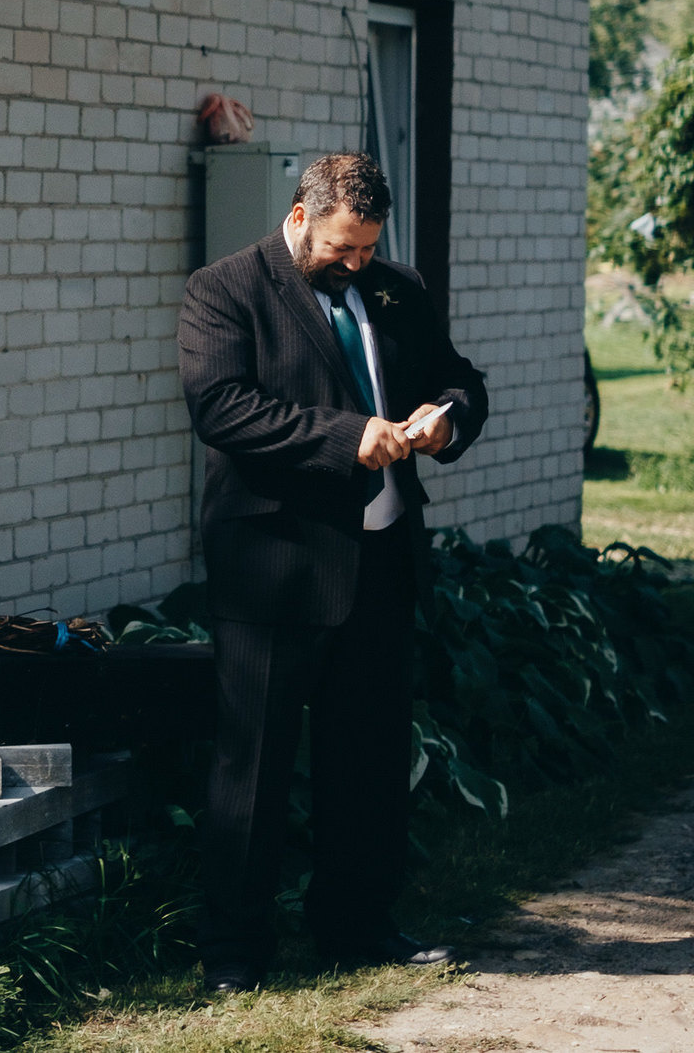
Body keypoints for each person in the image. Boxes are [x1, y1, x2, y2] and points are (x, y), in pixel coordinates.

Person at [176, 152, 489, 992]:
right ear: (301, 214)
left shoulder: (396, 286)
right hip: (274, 567)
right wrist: (344, 437)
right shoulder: (225, 288)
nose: (357, 265)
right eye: (344, 249)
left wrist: (446, 416)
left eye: (369, 249)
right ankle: (234, 955)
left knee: (370, 762)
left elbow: (461, 379)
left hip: (381, 562)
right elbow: (221, 406)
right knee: (255, 769)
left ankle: (356, 927)